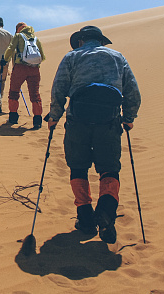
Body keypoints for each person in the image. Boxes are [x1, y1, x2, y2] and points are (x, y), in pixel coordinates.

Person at [44, 25, 141, 244]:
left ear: (81, 41)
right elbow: (132, 91)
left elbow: (59, 88)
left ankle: (85, 218)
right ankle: (106, 211)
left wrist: (54, 115)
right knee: (109, 168)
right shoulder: (118, 58)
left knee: (78, 167)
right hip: (109, 121)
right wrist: (129, 117)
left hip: (78, 120)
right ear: (101, 41)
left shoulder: (72, 57)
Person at [1, 22, 45, 128]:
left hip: (20, 68)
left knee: (14, 92)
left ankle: (13, 117)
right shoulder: (35, 38)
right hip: (35, 69)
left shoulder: (18, 36)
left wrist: (4, 60)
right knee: (35, 94)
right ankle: (37, 120)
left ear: (18, 29)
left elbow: (11, 48)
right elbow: (42, 56)